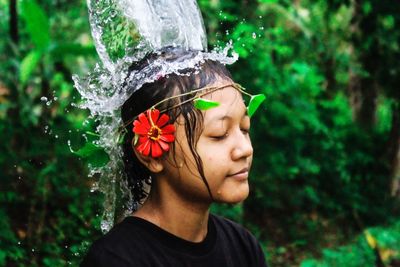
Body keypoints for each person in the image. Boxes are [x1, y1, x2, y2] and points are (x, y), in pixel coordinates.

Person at [80, 47, 268, 267]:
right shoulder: (117, 260)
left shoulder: (243, 247)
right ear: (152, 155)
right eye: (219, 135)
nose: (245, 149)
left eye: (244, 129)